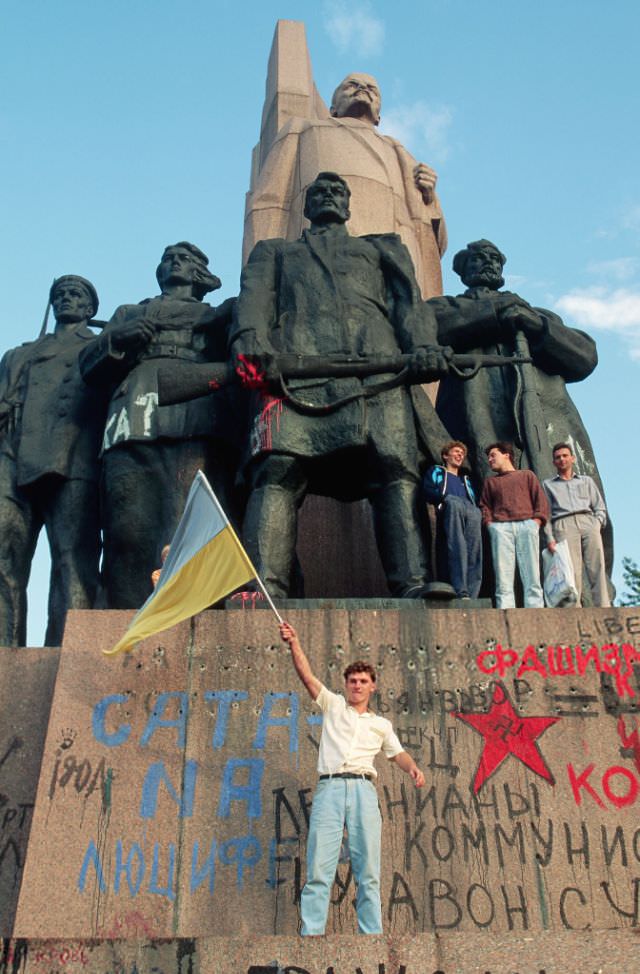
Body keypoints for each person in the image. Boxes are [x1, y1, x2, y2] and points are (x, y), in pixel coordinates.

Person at [231, 172, 452, 599]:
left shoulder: (381, 247)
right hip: (295, 374)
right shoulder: (274, 252)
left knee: (396, 473)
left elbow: (409, 303)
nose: (329, 196)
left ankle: (413, 583)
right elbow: (253, 305)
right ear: (306, 205)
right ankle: (265, 585)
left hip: (376, 374)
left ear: (349, 206)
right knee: (277, 472)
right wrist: (253, 349)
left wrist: (424, 346)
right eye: (319, 192)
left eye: (337, 191)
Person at [428, 237, 613, 588]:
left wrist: (535, 325)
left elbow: (584, 357)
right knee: (482, 506)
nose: (488, 263)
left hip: (544, 427)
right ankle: (488, 587)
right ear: (462, 271)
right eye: (478, 259)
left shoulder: (535, 314)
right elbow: (427, 328)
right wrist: (497, 316)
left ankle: (573, 587)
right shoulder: (448, 307)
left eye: (494, 258)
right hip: (475, 422)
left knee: (556, 504)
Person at [79, 242, 240, 608]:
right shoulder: (129, 312)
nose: (173, 263)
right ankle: (126, 612)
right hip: (131, 417)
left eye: (183, 258)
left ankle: (195, 607)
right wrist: (120, 338)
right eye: (167, 258)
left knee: (188, 520)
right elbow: (88, 367)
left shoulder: (219, 314)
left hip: (197, 416)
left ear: (201, 274)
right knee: (126, 528)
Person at [243, 21, 447, 299]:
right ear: (332, 108)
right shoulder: (303, 130)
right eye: (352, 85)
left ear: (379, 114)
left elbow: (436, 243)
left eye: (372, 89)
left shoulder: (399, 152)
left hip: (391, 263)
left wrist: (429, 196)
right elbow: (269, 204)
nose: (363, 89)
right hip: (320, 259)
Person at [279, 620, 425, 935]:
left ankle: (371, 936)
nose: (357, 685)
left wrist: (411, 767)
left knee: (368, 868)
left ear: (373, 686)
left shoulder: (381, 724)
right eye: (352, 681)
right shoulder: (333, 707)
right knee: (320, 865)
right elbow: (307, 677)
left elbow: (397, 753)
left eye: (363, 681)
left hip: (363, 789)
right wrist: (295, 643)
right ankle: (312, 933)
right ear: (346, 685)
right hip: (330, 786)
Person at [0, 275, 107, 645]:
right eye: (59, 295)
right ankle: (5, 645)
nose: (66, 299)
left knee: (72, 560)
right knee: (4, 556)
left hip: (74, 459)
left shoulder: (98, 349)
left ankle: (65, 649)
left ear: (90, 309)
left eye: (75, 294)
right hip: (13, 459)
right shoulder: (18, 355)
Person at [479, 442, 549, 608]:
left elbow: (540, 500)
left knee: (532, 574)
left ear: (506, 455)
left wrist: (536, 522)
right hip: (501, 528)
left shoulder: (526, 475)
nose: (489, 460)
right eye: (488, 457)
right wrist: (490, 525)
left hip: (527, 524)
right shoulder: (490, 482)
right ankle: (506, 612)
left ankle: (535, 613)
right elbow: (484, 506)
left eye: (493, 455)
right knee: (503, 576)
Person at [543, 442, 610, 606]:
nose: (562, 459)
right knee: (571, 570)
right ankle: (575, 611)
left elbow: (599, 506)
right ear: (554, 462)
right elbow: (546, 514)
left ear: (572, 458)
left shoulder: (586, 481)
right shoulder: (548, 485)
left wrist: (597, 523)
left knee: (597, 566)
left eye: (565, 456)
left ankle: (603, 606)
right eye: (558, 457)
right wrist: (550, 537)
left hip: (587, 521)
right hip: (563, 524)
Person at [422, 440, 482, 599]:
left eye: (462, 454)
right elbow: (427, 490)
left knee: (474, 549)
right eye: (456, 452)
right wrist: (443, 499)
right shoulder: (437, 471)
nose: (460, 455)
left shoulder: (466, 480)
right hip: (451, 504)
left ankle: (472, 593)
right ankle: (460, 589)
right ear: (445, 456)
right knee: (457, 545)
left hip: (470, 509)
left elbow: (474, 498)